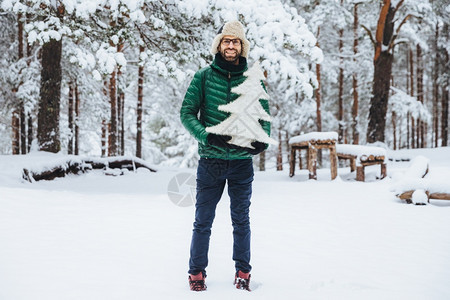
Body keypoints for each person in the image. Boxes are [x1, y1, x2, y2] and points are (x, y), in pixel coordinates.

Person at [180, 20, 271, 292]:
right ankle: (196, 274)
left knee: (241, 220)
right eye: (226, 41)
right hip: (211, 162)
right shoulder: (203, 77)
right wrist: (207, 135)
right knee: (203, 220)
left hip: (242, 164)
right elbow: (187, 113)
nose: (230, 45)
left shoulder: (252, 79)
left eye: (236, 41)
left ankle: (243, 272)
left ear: (242, 46)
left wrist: (261, 142)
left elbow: (264, 117)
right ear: (219, 44)